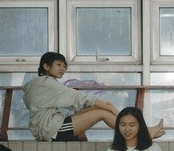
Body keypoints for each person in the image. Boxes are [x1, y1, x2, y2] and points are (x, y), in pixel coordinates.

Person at [21, 52, 164, 142]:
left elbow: (74, 102)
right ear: (46, 66)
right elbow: (77, 97)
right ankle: (142, 135)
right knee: (102, 112)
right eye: (58, 65)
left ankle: (141, 132)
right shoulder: (47, 84)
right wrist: (109, 107)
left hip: (48, 128)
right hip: (52, 130)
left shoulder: (38, 84)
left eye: (64, 66)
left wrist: (104, 105)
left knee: (93, 109)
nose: (63, 69)